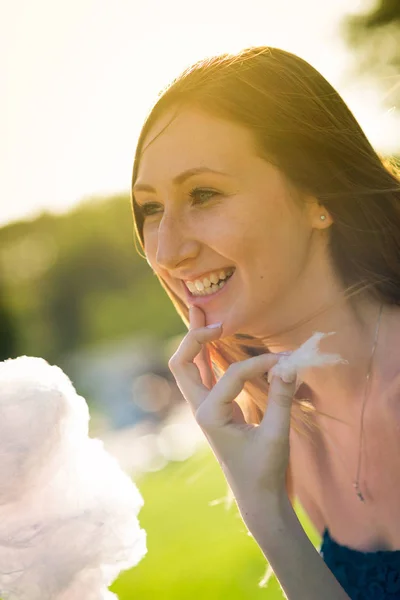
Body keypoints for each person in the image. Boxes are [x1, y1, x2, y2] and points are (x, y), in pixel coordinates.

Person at [130, 46, 400, 599]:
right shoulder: (288, 420)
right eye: (150, 208)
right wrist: (265, 506)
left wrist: (267, 514)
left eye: (202, 194)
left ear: (318, 199)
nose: (167, 250)